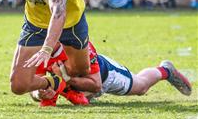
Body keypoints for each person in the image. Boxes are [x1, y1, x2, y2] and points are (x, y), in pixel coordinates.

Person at [34, 43, 192, 105]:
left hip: (105, 75)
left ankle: (165, 70)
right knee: (80, 98)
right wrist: (39, 93)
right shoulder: (37, 48)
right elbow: (34, 85)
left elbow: (96, 85)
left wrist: (67, 79)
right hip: (77, 85)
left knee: (141, 86)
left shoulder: (78, 43)